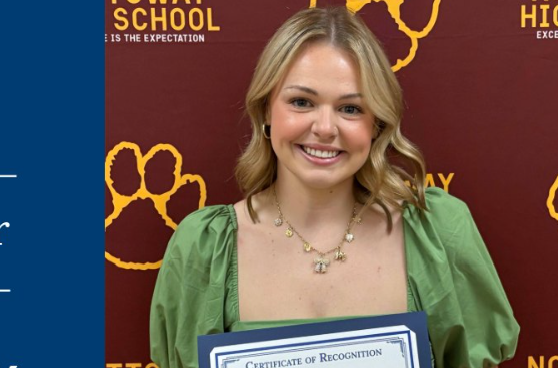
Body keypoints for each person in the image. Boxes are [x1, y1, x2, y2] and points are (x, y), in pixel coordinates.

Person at [149, 6, 519, 368]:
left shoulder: (438, 233)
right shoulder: (203, 247)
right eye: (301, 102)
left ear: (376, 124)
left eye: (350, 109)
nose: (325, 128)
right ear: (265, 110)